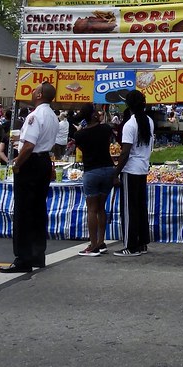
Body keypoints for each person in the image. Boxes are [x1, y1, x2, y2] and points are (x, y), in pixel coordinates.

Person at [0, 82, 59, 273]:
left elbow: (30, 145)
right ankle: (37, 255)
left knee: (24, 210)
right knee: (38, 209)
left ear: (40, 94)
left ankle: (23, 258)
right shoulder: (52, 115)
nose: (32, 92)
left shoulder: (35, 115)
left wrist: (17, 163)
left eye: (35, 90)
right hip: (43, 161)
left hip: (31, 162)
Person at [114, 90, 154, 257]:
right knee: (140, 207)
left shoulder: (130, 124)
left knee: (129, 210)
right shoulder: (149, 121)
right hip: (143, 168)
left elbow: (125, 152)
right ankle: (142, 242)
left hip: (130, 170)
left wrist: (115, 172)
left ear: (128, 105)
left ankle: (130, 245)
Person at [73, 103, 116, 257]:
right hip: (108, 169)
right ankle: (101, 241)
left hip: (91, 170)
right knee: (101, 208)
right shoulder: (105, 129)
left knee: (91, 208)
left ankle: (93, 244)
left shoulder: (79, 135)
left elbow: (83, 149)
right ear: (94, 115)